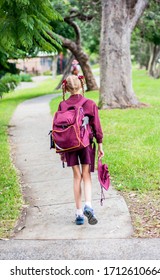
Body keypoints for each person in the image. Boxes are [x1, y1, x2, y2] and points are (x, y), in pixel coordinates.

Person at [58, 74, 104, 226]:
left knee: (76, 176)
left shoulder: (62, 105)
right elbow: (97, 127)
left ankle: (78, 214)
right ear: (81, 85)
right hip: (85, 144)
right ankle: (88, 206)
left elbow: (60, 128)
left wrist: (61, 150)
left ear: (66, 88)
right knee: (86, 176)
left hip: (70, 145)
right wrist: (101, 145)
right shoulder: (89, 103)